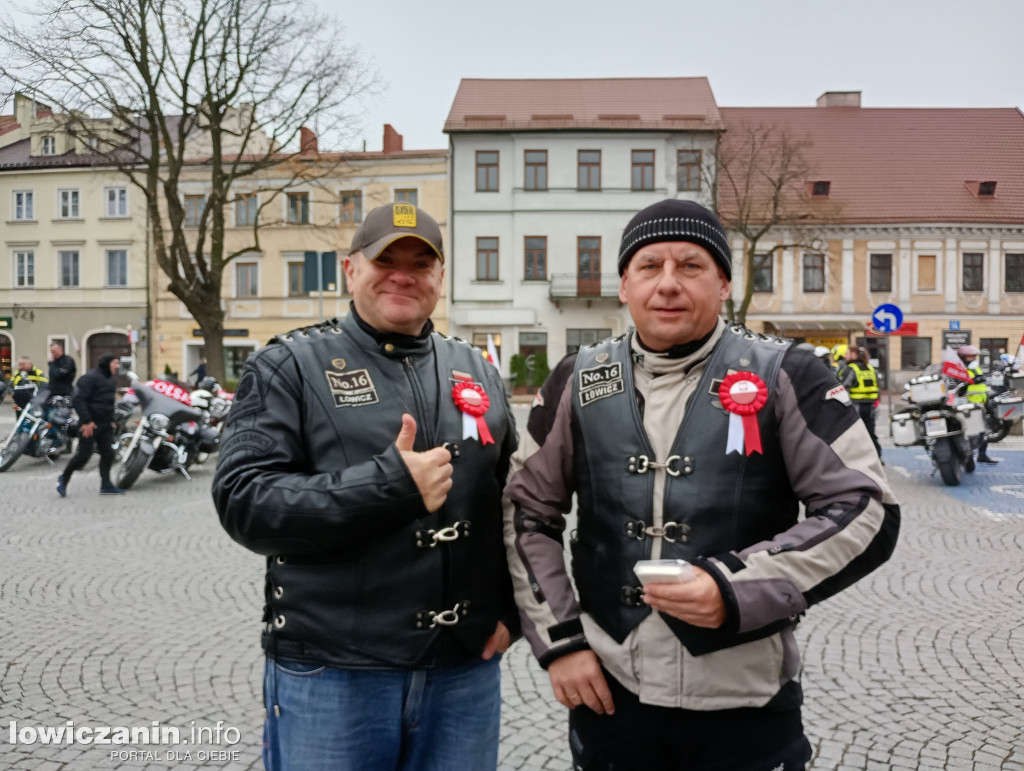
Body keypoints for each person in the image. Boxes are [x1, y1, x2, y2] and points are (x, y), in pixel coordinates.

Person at [503, 199, 901, 771]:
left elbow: (865, 509)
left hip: (743, 697)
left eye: (690, 266)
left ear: (723, 283)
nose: (668, 284)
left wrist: (734, 586)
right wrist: (561, 642)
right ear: (623, 285)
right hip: (611, 693)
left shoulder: (788, 372)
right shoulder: (576, 377)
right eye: (649, 266)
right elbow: (527, 511)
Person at [212, 203, 519, 771]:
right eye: (385, 259)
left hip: (463, 674)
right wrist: (387, 485)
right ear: (350, 271)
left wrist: (511, 613)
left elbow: (511, 504)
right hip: (333, 675)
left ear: (440, 279)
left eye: (420, 262)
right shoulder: (289, 366)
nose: (402, 274)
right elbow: (244, 501)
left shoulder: (478, 370)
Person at [56, 354, 124, 496]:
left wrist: (111, 420)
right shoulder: (90, 378)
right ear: (106, 363)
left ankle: (106, 485)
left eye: (118, 363)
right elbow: (78, 400)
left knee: (108, 454)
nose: (117, 366)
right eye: (115, 362)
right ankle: (64, 478)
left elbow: (108, 402)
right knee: (83, 456)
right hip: (90, 424)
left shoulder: (110, 380)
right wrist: (87, 421)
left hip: (105, 424)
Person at [839, 345, 882, 459]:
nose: (844, 356)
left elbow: (840, 385)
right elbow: (878, 386)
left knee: (854, 433)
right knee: (870, 433)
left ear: (853, 355)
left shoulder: (851, 369)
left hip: (856, 406)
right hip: (871, 406)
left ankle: (855, 459)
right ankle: (876, 457)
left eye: (847, 354)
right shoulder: (871, 368)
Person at [958, 344, 998, 464]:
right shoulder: (960, 369)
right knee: (971, 432)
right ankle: (968, 455)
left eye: (975, 356)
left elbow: (980, 381)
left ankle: (982, 455)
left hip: (980, 404)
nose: (974, 358)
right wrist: (971, 381)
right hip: (968, 405)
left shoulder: (975, 368)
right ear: (963, 357)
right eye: (971, 356)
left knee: (984, 431)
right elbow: (959, 386)